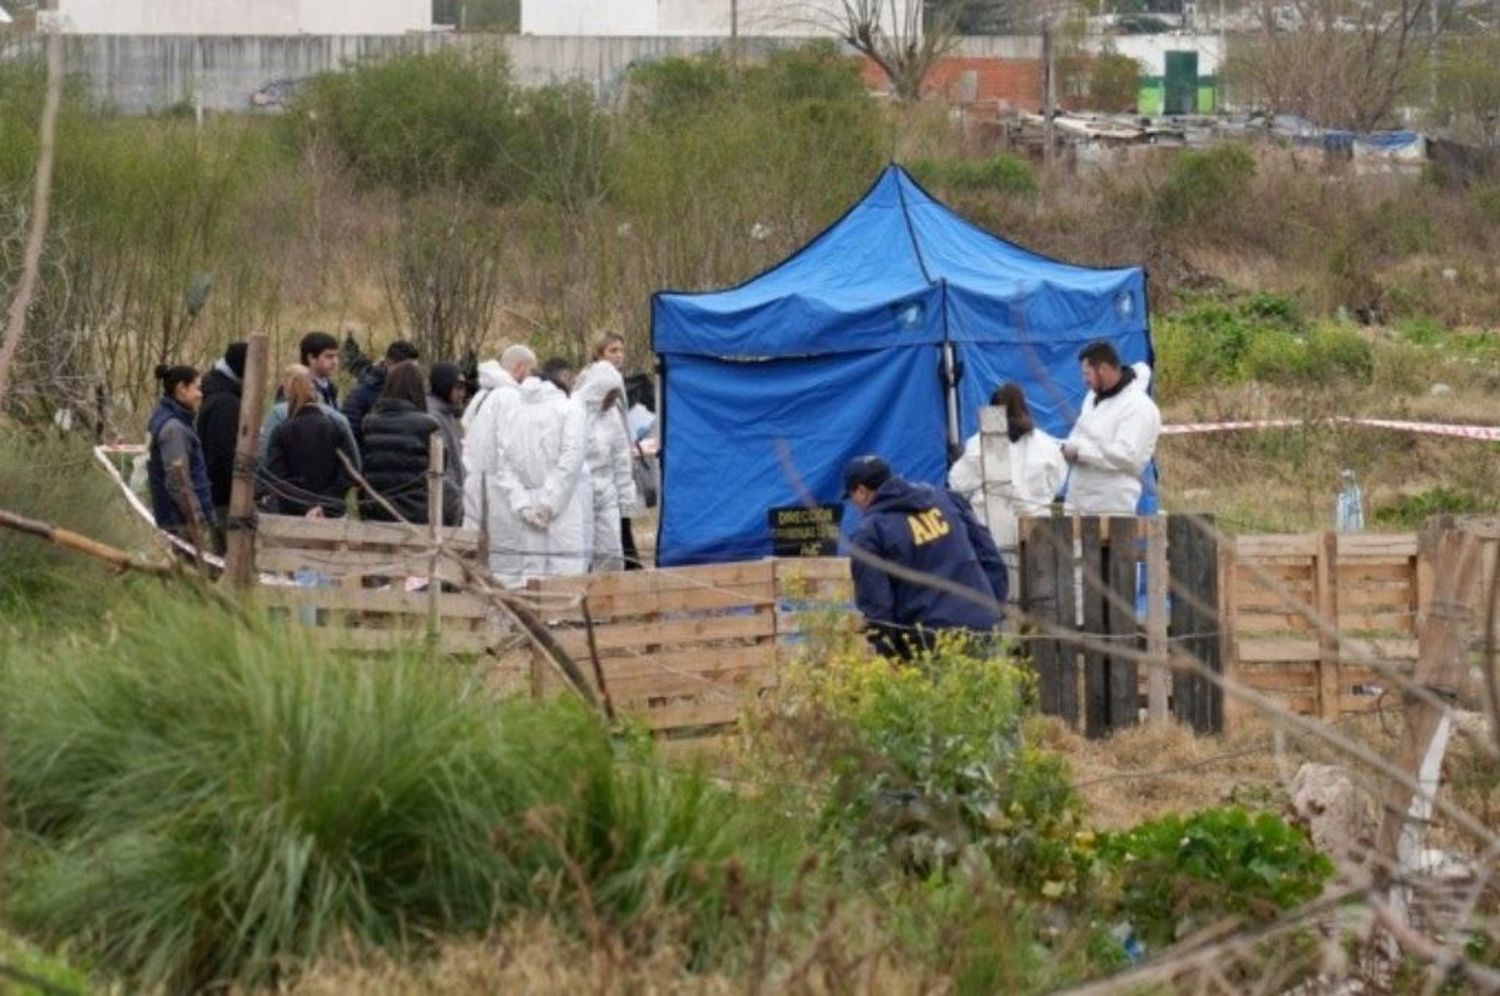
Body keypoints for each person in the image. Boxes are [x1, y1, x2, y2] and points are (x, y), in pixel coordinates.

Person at [844, 455, 1006, 660]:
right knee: (986, 692)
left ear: (861, 491)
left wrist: (892, 655)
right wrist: (992, 609)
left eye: (852, 497)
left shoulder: (870, 533)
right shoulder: (946, 498)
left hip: (927, 641)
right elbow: (989, 556)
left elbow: (877, 606)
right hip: (980, 627)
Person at [490, 372, 589, 587]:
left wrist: (522, 503)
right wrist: (549, 503)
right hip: (563, 502)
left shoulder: (511, 413)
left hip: (527, 503)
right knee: (566, 567)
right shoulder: (570, 409)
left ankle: (531, 617)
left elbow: (502, 463)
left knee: (530, 567)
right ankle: (561, 618)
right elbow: (571, 459)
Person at [948, 383, 1067, 550]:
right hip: (1037, 533)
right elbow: (1057, 483)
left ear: (992, 411)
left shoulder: (978, 445)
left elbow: (958, 484)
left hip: (991, 536)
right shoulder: (1047, 445)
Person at [1062, 340, 1161, 516]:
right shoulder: (1092, 398)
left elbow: (1127, 455)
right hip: (1078, 503)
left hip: (1111, 509)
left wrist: (1080, 452)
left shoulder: (1138, 406)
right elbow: (1078, 435)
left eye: (1087, 374)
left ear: (1103, 369)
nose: (1084, 380)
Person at [358, 361, 459, 525]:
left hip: (377, 511)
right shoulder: (427, 425)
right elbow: (442, 466)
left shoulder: (370, 422)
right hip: (417, 514)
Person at [263, 365, 356, 518]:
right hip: (332, 513)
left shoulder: (281, 431)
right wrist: (325, 504)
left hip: (292, 515)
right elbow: (351, 470)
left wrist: (307, 507)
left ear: (288, 393)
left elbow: (275, 476)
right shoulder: (336, 426)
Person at [572, 360, 639, 573]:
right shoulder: (574, 411)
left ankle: (608, 597)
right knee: (581, 550)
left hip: (606, 488)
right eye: (609, 396)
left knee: (611, 550)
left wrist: (625, 497)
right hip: (580, 488)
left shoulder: (612, 416)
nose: (612, 401)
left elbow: (620, 457)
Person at [462, 344, 536, 532]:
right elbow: (512, 447)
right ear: (519, 368)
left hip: (473, 478)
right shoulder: (510, 397)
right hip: (496, 486)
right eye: (531, 370)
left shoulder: (481, 395)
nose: (533, 377)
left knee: (471, 539)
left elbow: (465, 428)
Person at [146, 363, 217, 543]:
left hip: (178, 518)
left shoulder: (178, 421)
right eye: (197, 388)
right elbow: (178, 480)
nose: (201, 394)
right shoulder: (174, 429)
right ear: (181, 389)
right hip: (181, 522)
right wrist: (197, 517)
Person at [591, 331, 643, 568]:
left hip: (618, 467)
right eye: (613, 351)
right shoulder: (593, 387)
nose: (618, 356)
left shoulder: (616, 385)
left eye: (621, 350)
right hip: (599, 475)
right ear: (599, 354)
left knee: (622, 528)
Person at [195, 341, 247, 542]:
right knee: (230, 551)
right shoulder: (225, 403)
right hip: (226, 496)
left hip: (218, 492)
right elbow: (224, 452)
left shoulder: (218, 392)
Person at [343, 339, 420, 448]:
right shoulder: (360, 396)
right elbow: (349, 438)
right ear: (389, 364)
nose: (412, 376)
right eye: (408, 370)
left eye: (415, 371)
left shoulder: (416, 394)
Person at [427, 361, 467, 524]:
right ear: (444, 386)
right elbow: (442, 468)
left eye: (463, 388)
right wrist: (456, 506)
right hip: (443, 506)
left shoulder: (448, 415)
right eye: (457, 388)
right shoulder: (433, 417)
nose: (462, 394)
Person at [298, 331, 341, 408]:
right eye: (329, 356)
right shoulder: (296, 389)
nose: (335, 362)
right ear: (311, 358)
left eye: (337, 356)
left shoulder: (331, 388)